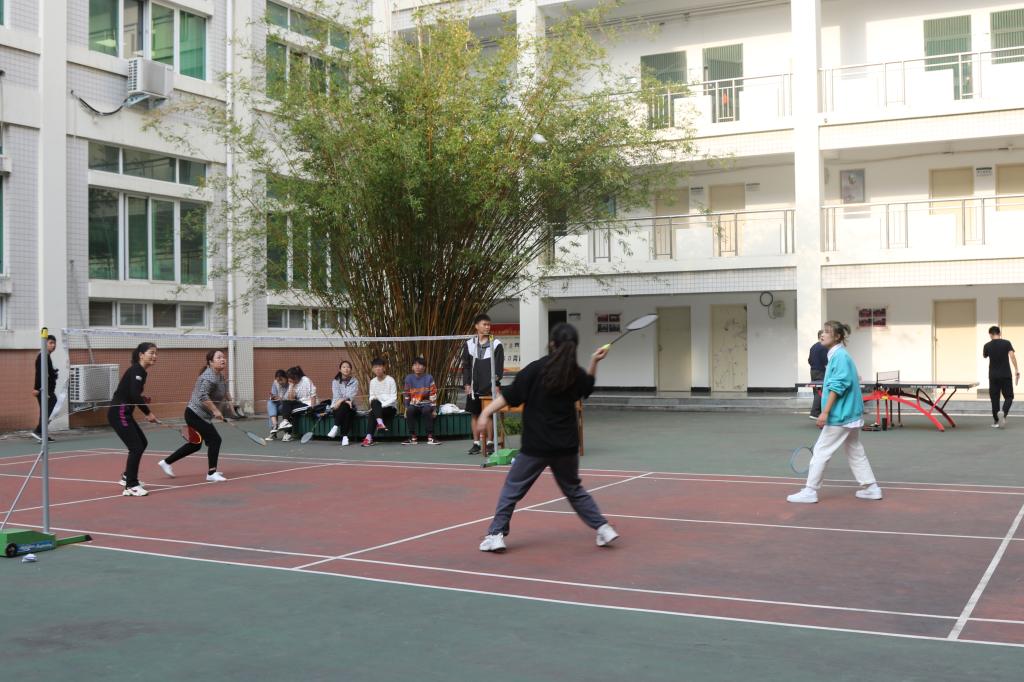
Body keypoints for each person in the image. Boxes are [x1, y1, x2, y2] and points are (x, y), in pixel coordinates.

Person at [477, 323, 618, 552]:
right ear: (574, 346)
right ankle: (603, 528)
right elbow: (587, 388)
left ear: (552, 343)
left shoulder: (535, 369)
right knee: (574, 490)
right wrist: (594, 361)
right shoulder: (574, 373)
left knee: (512, 489)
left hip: (537, 445)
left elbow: (509, 396)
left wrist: (484, 413)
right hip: (566, 447)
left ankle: (495, 535)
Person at [787, 321, 883, 504]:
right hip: (849, 414)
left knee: (821, 451)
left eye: (827, 332)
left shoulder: (839, 356)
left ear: (837, 336)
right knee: (854, 450)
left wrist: (825, 412)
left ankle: (810, 491)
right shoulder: (838, 355)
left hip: (841, 415)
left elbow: (837, 387)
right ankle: (871, 488)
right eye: (822, 331)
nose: (822, 334)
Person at [157, 349, 237, 483]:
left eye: (223, 357)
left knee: (195, 445)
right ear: (210, 362)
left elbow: (224, 390)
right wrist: (215, 411)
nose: (223, 359)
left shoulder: (220, 376)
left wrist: (230, 403)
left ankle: (166, 462)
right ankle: (211, 473)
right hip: (194, 414)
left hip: (202, 415)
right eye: (218, 358)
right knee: (215, 440)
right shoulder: (208, 377)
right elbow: (202, 396)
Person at [109, 342, 159, 497]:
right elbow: (134, 395)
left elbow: (133, 393)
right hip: (119, 412)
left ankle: (127, 476)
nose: (154, 356)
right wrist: (148, 413)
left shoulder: (141, 372)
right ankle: (131, 485)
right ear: (141, 355)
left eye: (155, 353)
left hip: (124, 412)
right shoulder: (137, 369)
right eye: (151, 353)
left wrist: (142, 399)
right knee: (136, 447)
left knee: (142, 443)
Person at [462, 314, 504, 455]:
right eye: (484, 324)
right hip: (473, 386)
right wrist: (466, 383)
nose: (487, 327)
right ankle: (476, 444)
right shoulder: (469, 344)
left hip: (489, 386)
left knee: (489, 414)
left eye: (489, 325)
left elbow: (499, 367)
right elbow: (466, 366)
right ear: (476, 326)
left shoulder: (496, 344)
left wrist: (496, 383)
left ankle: (490, 443)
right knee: (474, 415)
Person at [983, 326, 1019, 429]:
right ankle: (1003, 413)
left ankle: (996, 421)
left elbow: (985, 356)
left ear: (990, 334)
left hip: (993, 376)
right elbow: (1012, 356)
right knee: (1009, 396)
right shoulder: (1007, 343)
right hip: (1005, 374)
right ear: (1000, 333)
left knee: (994, 398)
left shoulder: (987, 345)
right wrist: (1016, 369)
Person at [402, 356, 440, 445]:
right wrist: (406, 408)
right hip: (414, 404)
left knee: (426, 410)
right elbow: (406, 395)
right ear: (412, 367)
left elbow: (433, 394)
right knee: (410, 410)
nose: (417, 367)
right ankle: (412, 437)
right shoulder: (408, 378)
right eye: (415, 365)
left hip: (426, 404)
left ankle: (430, 436)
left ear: (424, 367)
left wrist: (434, 409)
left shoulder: (429, 378)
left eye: (420, 365)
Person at [361, 358, 397, 447]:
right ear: (373, 369)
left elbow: (394, 398)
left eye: (380, 366)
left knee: (373, 411)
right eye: (375, 367)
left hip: (390, 408)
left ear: (384, 368)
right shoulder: (372, 381)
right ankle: (379, 424)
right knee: (374, 402)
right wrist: (377, 405)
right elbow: (371, 397)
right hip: (377, 409)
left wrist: (381, 406)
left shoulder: (390, 380)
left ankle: (369, 437)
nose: (377, 369)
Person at [276, 366, 317, 442]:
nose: (288, 379)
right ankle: (285, 423)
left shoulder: (306, 380)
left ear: (295, 376)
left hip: (307, 404)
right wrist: (291, 386)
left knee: (290, 411)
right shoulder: (293, 384)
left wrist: (312, 407)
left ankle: (287, 433)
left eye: (290, 377)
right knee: (286, 403)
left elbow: (313, 394)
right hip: (299, 403)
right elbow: (291, 399)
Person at [32, 334, 59, 442]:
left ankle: (42, 433)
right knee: (50, 408)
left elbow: (48, 373)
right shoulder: (42, 356)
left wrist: (54, 373)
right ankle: (39, 431)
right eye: (51, 343)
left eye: (54, 343)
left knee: (47, 410)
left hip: (47, 390)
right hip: (43, 390)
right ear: (45, 344)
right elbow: (39, 373)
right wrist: (36, 388)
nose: (53, 345)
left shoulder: (46, 356)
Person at [328, 360, 359, 446]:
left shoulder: (355, 381)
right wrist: (342, 401)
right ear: (340, 369)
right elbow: (336, 395)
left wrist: (341, 400)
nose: (346, 369)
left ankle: (335, 427)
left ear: (351, 369)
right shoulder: (335, 381)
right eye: (344, 367)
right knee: (347, 411)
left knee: (346, 407)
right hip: (337, 406)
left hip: (350, 406)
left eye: (348, 367)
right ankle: (345, 437)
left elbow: (351, 395)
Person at [808, 329, 828, 419]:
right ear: (821, 337)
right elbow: (826, 361)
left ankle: (817, 412)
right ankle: (815, 413)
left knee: (816, 391)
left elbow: (809, 360)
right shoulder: (823, 347)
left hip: (813, 371)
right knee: (820, 391)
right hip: (820, 371)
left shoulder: (813, 347)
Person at [267, 369, 288, 439]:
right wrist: (273, 397)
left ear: (286, 378)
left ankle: (274, 429)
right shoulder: (275, 383)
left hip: (286, 406)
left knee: (272, 409)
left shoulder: (290, 384)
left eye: (281, 380)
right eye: (278, 380)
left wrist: (281, 398)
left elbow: (290, 398)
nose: (280, 382)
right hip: (278, 404)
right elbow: (274, 395)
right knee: (270, 403)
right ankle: (275, 425)